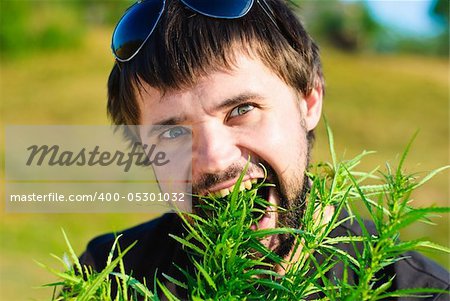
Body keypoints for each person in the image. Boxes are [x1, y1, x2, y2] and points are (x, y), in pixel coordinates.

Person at [79, 0, 449, 299]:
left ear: (309, 103)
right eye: (172, 133)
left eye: (241, 110)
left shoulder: (416, 293)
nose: (214, 159)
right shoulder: (107, 280)